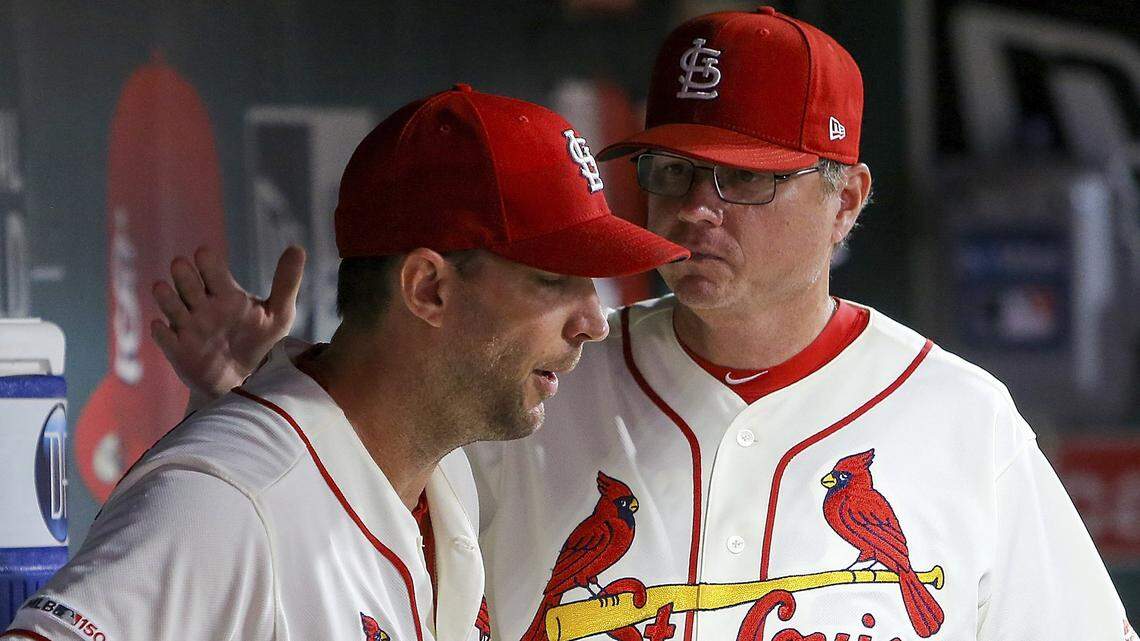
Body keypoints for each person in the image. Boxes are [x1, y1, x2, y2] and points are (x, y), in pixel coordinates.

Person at [128, 8, 1129, 641]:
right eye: (673, 169)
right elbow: (336, 526)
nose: (695, 204)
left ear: (847, 196)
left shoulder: (964, 423)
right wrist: (252, 396)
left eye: (742, 176)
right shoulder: (522, 391)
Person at [1, 85, 686, 641]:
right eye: (556, 279)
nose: (594, 319)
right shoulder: (233, 498)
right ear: (429, 288)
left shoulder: (440, 478)